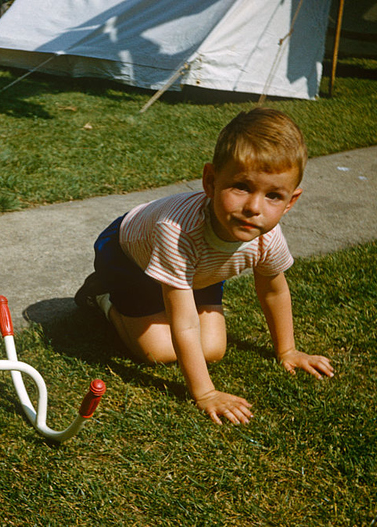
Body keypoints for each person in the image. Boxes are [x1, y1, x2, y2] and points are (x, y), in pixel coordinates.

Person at [75, 107, 334, 425]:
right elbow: (183, 323)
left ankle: (161, 294)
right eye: (241, 186)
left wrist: (288, 350)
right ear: (210, 181)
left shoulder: (267, 235)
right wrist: (205, 393)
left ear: (291, 201)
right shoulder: (178, 231)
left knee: (212, 348)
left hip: (200, 269)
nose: (254, 207)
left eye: (273, 196)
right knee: (159, 350)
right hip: (129, 257)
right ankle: (101, 297)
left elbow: (274, 289)